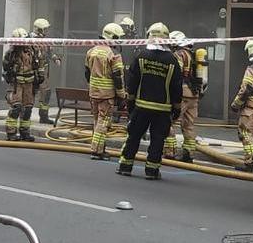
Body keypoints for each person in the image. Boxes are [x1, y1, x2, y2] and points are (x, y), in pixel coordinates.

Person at [118, 22, 183, 180]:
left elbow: (132, 82)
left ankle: (125, 166)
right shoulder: (172, 61)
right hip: (163, 109)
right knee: (157, 140)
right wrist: (176, 109)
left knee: (133, 136)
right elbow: (176, 87)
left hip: (141, 106)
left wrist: (130, 104)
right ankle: (152, 171)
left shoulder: (141, 56)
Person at [85, 23, 126, 160]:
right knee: (103, 121)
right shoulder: (113, 54)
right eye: (118, 38)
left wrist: (92, 86)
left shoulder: (91, 51)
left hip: (93, 92)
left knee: (97, 120)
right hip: (107, 94)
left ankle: (98, 147)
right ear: (113, 37)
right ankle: (97, 151)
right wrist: (121, 95)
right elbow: (118, 77)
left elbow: (86, 72)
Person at [163, 31, 205, 163]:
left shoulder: (179, 54)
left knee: (168, 121)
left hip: (183, 92)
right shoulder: (192, 54)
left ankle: (170, 151)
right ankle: (188, 153)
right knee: (189, 125)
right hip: (194, 94)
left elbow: (176, 74)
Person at [230, 40, 253, 171]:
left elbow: (246, 89)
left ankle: (251, 162)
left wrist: (235, 104)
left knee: (245, 132)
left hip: (251, 106)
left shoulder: (252, 69)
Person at [2, 27, 41, 142]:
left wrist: (40, 76)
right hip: (17, 84)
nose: (25, 42)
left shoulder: (32, 49)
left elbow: (39, 62)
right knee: (16, 107)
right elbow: (6, 67)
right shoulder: (11, 53)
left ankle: (25, 132)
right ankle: (11, 133)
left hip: (29, 82)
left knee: (28, 108)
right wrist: (10, 75)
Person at [31, 18, 60, 124]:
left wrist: (55, 59)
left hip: (43, 72)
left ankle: (43, 116)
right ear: (39, 29)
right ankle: (25, 114)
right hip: (33, 72)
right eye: (45, 29)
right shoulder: (30, 40)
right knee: (30, 94)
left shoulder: (46, 40)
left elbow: (50, 52)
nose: (47, 31)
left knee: (46, 93)